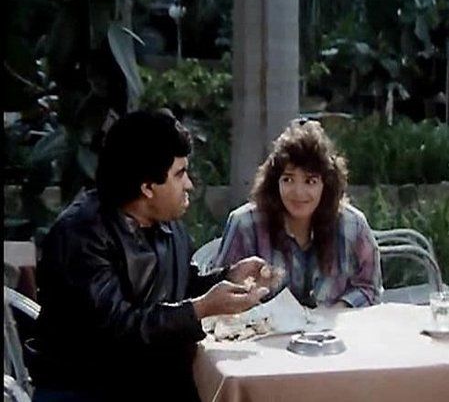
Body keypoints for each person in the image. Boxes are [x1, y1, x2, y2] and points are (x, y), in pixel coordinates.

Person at [31, 111, 279, 402]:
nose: (189, 185)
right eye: (179, 174)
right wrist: (201, 308)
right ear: (147, 187)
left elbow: (179, 287)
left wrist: (229, 277)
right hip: (88, 386)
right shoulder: (81, 235)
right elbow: (118, 330)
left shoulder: (167, 223)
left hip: (152, 379)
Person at [209, 118, 382, 308]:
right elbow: (220, 296)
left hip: (334, 325)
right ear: (274, 182)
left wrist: (337, 310)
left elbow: (370, 288)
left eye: (310, 181)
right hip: (263, 326)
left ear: (326, 184)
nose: (298, 192)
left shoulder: (353, 226)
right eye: (288, 179)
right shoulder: (245, 225)